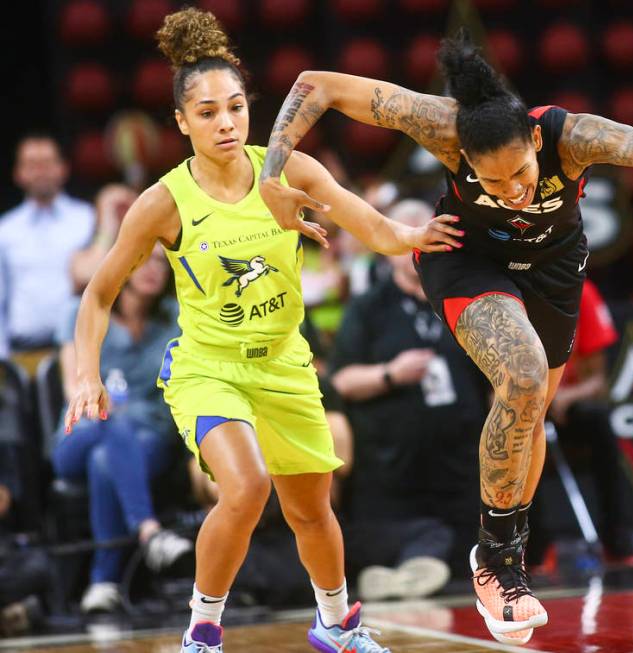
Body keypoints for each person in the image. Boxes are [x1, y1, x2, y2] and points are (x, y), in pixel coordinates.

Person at [258, 29, 633, 644]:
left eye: (521, 175)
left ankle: (504, 557)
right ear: (463, 157)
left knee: (529, 413)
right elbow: (319, 85)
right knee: (522, 374)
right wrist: (272, 170)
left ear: (534, 141)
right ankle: (496, 560)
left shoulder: (570, 136)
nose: (514, 192)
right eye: (494, 183)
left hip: (554, 272)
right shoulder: (442, 125)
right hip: (467, 259)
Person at [62, 9, 459, 653]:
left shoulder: (288, 171)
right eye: (209, 112)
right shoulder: (164, 202)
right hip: (207, 369)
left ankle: (335, 623)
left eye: (237, 108)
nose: (226, 122)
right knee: (246, 487)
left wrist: (416, 236)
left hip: (283, 364)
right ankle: (202, 631)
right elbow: (99, 294)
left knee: (310, 511)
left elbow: (372, 226)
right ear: (182, 122)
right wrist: (85, 374)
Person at [329, 199, 487, 601]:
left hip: (460, 466)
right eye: (410, 237)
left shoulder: (461, 299)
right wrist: (389, 375)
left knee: (461, 568)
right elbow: (342, 380)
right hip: (391, 470)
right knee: (408, 547)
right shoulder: (368, 309)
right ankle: (396, 576)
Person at [53, 244, 194, 613]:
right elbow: (74, 384)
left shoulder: (177, 318)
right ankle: (149, 531)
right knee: (108, 425)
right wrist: (96, 399)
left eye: (162, 263)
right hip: (81, 431)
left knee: (106, 460)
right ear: (123, 264)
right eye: (144, 259)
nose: (153, 269)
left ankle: (104, 583)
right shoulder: (82, 310)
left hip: (151, 437)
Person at [545, 279, 633, 568]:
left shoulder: (580, 290)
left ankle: (616, 539)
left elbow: (598, 382)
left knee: (599, 421)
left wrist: (565, 396)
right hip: (519, 400)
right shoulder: (501, 292)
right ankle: (530, 547)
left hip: (567, 404)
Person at [0, 134, 94, 362]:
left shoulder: (88, 219)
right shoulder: (5, 230)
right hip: (21, 352)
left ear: (63, 168)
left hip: (80, 348)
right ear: (18, 173)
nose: (40, 171)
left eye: (47, 163)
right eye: (32, 165)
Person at [70, 183, 139, 293]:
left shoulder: (152, 249)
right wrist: (108, 226)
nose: (123, 214)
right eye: (115, 209)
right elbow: (85, 277)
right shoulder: (83, 253)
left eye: (128, 207)